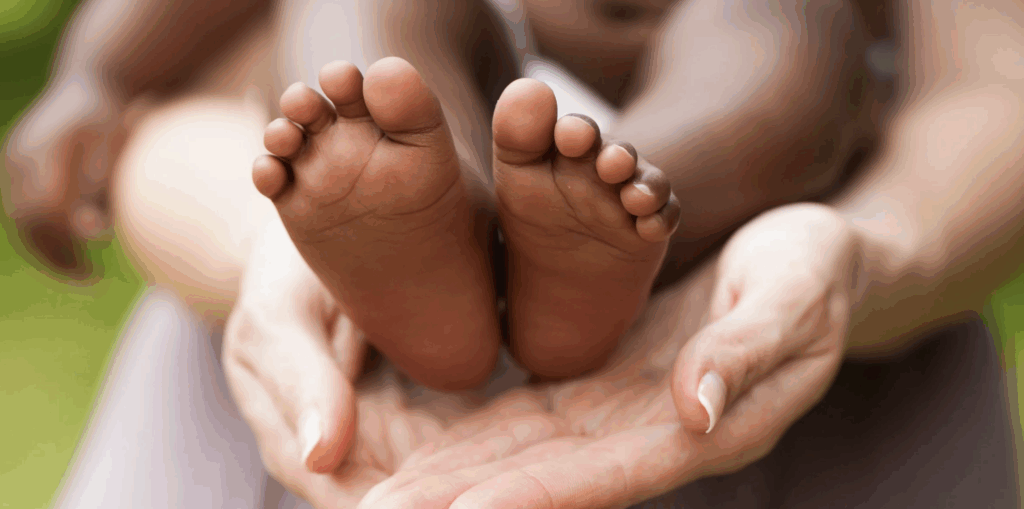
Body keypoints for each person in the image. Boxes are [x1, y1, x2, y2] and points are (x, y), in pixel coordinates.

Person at [3, 0, 1021, 507]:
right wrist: (96, 75)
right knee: (360, 26)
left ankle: (630, 206)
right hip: (382, 183)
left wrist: (862, 246)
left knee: (783, 33)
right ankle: (431, 240)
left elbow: (994, 84)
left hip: (773, 247)